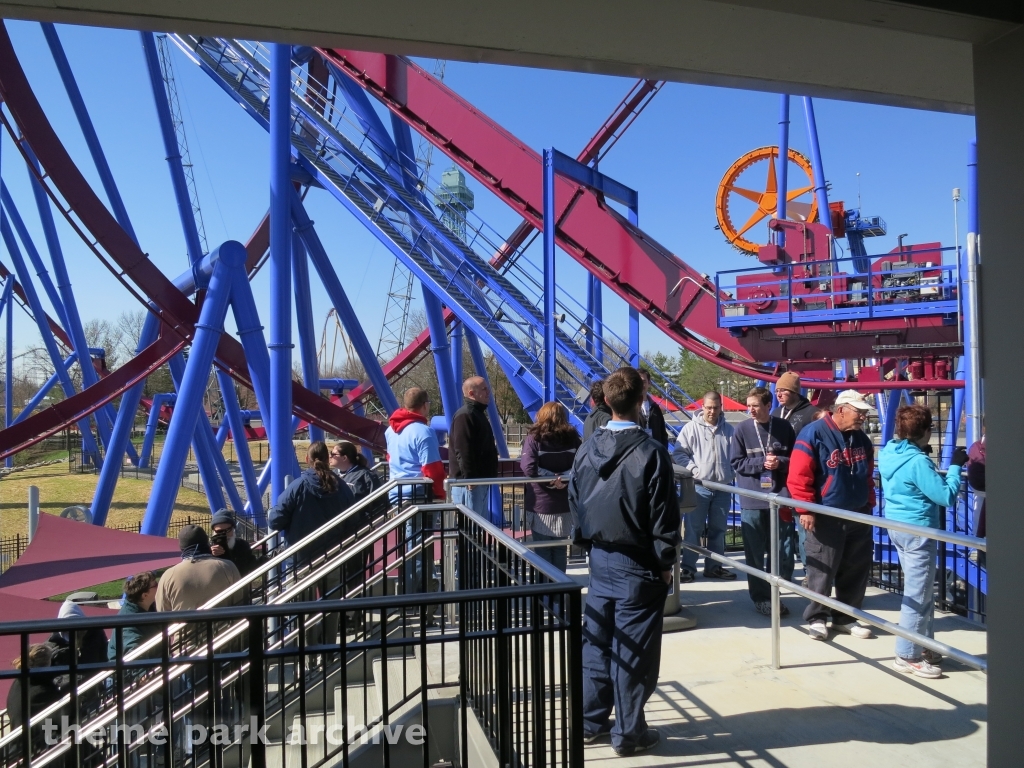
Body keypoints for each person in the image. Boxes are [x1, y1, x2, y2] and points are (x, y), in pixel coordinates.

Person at [570, 367, 679, 757]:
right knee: (633, 652)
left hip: (600, 559)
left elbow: (575, 499)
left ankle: (589, 722)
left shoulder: (586, 448)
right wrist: (666, 561)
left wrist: (587, 545)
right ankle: (629, 733)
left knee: (597, 643)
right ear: (640, 402)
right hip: (639, 563)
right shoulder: (651, 453)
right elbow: (665, 515)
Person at [879, 405, 968, 678]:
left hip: (896, 525)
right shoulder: (918, 462)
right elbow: (945, 496)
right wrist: (954, 466)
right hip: (919, 530)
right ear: (926, 432)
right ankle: (907, 654)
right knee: (918, 594)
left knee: (921, 589)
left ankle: (924, 645)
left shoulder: (887, 453)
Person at [787, 390, 877, 641]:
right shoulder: (813, 433)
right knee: (822, 569)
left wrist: (870, 503)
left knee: (855, 569)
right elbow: (799, 475)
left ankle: (846, 617)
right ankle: (816, 617)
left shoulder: (862, 439)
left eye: (864, 412)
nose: (863, 416)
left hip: (858, 514)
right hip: (826, 514)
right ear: (841, 410)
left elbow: (867, 474)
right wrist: (805, 509)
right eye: (859, 412)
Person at [730, 386, 797, 616]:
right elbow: (736, 463)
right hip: (752, 499)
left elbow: (795, 459)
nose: (751, 410)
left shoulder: (784, 427)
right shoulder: (742, 429)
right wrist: (760, 464)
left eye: (755, 406)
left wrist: (779, 462)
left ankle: (775, 593)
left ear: (769, 406)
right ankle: (760, 597)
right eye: (748, 406)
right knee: (755, 553)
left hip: (778, 498)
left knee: (780, 551)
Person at [674, 391, 737, 582]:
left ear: (721, 408)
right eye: (708, 407)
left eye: (715, 407)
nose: (712, 411)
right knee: (694, 529)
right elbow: (679, 453)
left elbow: (736, 455)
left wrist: (731, 472)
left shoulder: (729, 430)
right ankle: (688, 568)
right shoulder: (690, 429)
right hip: (699, 486)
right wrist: (693, 470)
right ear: (702, 407)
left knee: (718, 530)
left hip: (723, 488)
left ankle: (714, 566)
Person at [521, 401, 582, 572]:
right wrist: (564, 478)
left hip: (541, 504)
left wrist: (550, 479)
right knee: (560, 549)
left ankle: (545, 594)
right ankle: (560, 594)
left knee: (543, 551)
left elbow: (528, 467)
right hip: (565, 503)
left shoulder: (535, 438)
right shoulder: (573, 438)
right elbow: (581, 464)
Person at [771, 371, 819, 573]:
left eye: (783, 390)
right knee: (781, 531)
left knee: (804, 531)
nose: (779, 394)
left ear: (795, 391)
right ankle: (783, 573)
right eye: (777, 390)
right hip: (780, 480)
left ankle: (810, 573)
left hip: (801, 480)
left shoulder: (811, 414)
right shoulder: (775, 413)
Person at [156, 525, 242, 612]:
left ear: (182, 547)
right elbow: (240, 601)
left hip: (182, 625)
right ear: (206, 543)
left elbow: (162, 612)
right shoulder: (227, 566)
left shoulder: (168, 575)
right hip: (224, 624)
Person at [385, 387, 447, 505]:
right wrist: (440, 493)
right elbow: (432, 467)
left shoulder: (390, 430)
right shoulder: (424, 432)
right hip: (418, 493)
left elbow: (389, 458)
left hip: (395, 489)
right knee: (423, 524)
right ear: (425, 405)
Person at [449, 376, 499, 514]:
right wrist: (470, 479)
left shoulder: (476, 414)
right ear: (471, 393)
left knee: (478, 526)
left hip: (479, 481)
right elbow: (463, 449)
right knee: (471, 527)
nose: (488, 392)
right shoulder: (466, 415)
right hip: (470, 484)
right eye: (484, 389)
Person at [7, 644, 63, 756]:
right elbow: (62, 721)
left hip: (17, 747)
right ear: (48, 663)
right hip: (32, 750)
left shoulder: (18, 683)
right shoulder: (43, 691)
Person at [108, 572, 160, 661]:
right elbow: (135, 659)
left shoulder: (149, 608)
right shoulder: (128, 623)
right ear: (145, 595)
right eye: (155, 585)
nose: (159, 586)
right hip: (127, 673)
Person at [210, 510, 259, 577]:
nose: (225, 535)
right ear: (214, 532)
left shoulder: (242, 545)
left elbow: (251, 566)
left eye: (228, 530)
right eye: (220, 532)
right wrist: (211, 556)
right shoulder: (207, 549)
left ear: (233, 529)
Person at [638, 369, 669, 448]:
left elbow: (663, 433)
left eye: (644, 381)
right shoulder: (630, 407)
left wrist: (663, 452)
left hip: (655, 454)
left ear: (649, 383)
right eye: (638, 382)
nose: (641, 385)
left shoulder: (655, 408)